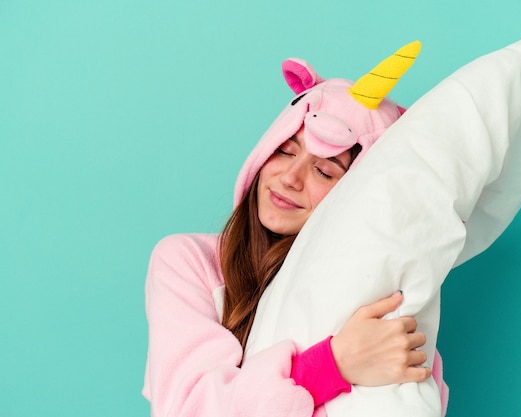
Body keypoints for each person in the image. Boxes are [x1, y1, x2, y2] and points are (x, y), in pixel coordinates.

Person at [142, 41, 448, 417]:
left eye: (324, 170)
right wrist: (331, 365)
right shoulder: (189, 262)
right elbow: (188, 409)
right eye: (284, 150)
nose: (289, 178)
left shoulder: (374, 294)